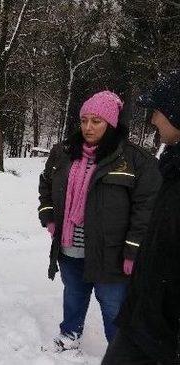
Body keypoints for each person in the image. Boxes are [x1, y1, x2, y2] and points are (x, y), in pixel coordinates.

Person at [38, 90, 161, 352]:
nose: (88, 127)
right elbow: (47, 185)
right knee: (74, 294)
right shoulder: (64, 152)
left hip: (112, 253)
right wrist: (49, 217)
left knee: (113, 304)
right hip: (70, 246)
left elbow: (147, 208)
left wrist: (133, 250)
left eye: (96, 121)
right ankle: (70, 333)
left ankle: (120, 350)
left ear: (111, 123)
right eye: (84, 120)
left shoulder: (134, 159)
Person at [103, 71, 180, 365]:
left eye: (159, 111)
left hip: (167, 334)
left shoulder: (140, 161)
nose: (153, 120)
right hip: (143, 316)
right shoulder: (171, 167)